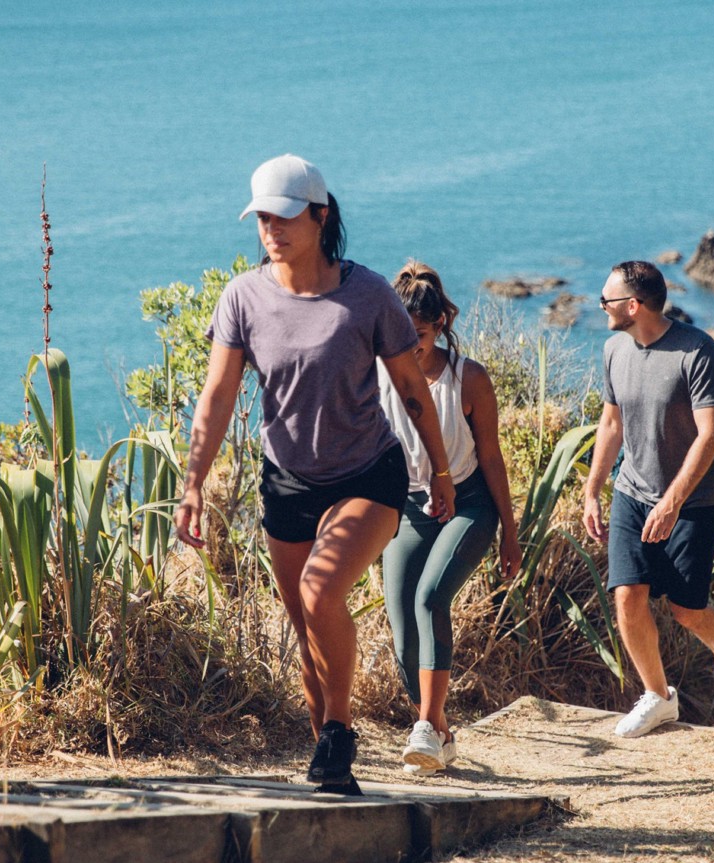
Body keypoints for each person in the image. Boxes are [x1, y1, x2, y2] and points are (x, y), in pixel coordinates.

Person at [175, 155, 456, 789]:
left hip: (368, 473)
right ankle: (330, 769)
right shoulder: (243, 296)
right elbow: (217, 397)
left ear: (320, 215)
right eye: (261, 217)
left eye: (284, 215)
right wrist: (193, 484)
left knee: (320, 592)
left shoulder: (367, 294)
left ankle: (338, 728)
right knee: (306, 626)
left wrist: (439, 469)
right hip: (287, 481)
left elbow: (411, 386)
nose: (270, 228)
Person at [580, 260, 714, 738]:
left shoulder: (697, 352)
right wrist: (593, 489)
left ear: (633, 306)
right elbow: (611, 424)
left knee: (686, 609)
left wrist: (673, 501)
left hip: (693, 503)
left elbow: (709, 436)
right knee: (627, 597)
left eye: (606, 300)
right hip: (632, 492)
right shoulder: (615, 348)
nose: (601, 308)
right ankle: (658, 697)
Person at [375, 262, 522, 776]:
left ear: (440, 324)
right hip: (410, 508)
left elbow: (492, 457)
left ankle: (425, 726)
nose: (408, 345)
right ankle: (440, 733)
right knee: (401, 631)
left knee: (430, 597)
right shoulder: (379, 373)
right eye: (400, 335)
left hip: (469, 503)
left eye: (417, 335)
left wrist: (510, 532)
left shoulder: (469, 378)